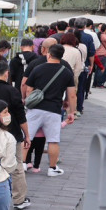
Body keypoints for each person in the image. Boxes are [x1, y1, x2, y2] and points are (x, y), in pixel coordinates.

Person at [24, 44, 76, 177]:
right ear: (61, 56)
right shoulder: (66, 72)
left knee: (27, 137)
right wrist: (72, 112)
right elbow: (71, 94)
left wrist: (29, 100)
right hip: (53, 110)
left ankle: (22, 164)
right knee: (53, 140)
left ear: (48, 54)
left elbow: (28, 88)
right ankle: (52, 168)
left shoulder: (38, 68)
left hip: (35, 109)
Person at [0, 60, 31, 210]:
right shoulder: (12, 91)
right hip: (12, 134)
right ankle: (19, 199)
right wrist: (27, 135)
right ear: (7, 73)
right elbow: (20, 116)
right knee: (17, 165)